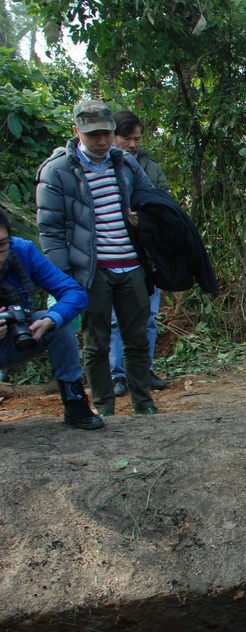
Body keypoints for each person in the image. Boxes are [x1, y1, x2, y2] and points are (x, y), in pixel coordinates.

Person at [36, 99, 161, 417]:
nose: (102, 141)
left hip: (131, 266)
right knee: (96, 343)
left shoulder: (124, 163)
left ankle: (143, 404)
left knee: (137, 340)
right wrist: (64, 280)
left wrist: (142, 220)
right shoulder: (57, 172)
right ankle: (105, 408)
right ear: (77, 131)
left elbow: (152, 201)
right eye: (93, 135)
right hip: (92, 272)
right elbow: (50, 232)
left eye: (107, 133)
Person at [0, 207, 102, 429]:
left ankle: (75, 402)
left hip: (13, 341)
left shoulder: (22, 251)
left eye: (1, 245)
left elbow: (73, 292)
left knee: (57, 320)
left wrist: (50, 320)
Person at [109, 109, 170, 398]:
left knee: (147, 316)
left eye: (137, 138)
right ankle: (117, 375)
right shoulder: (100, 166)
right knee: (113, 320)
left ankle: (143, 370)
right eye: (127, 138)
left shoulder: (151, 168)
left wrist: (143, 219)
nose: (133, 144)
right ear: (112, 136)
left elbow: (166, 208)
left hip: (145, 254)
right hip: (110, 255)